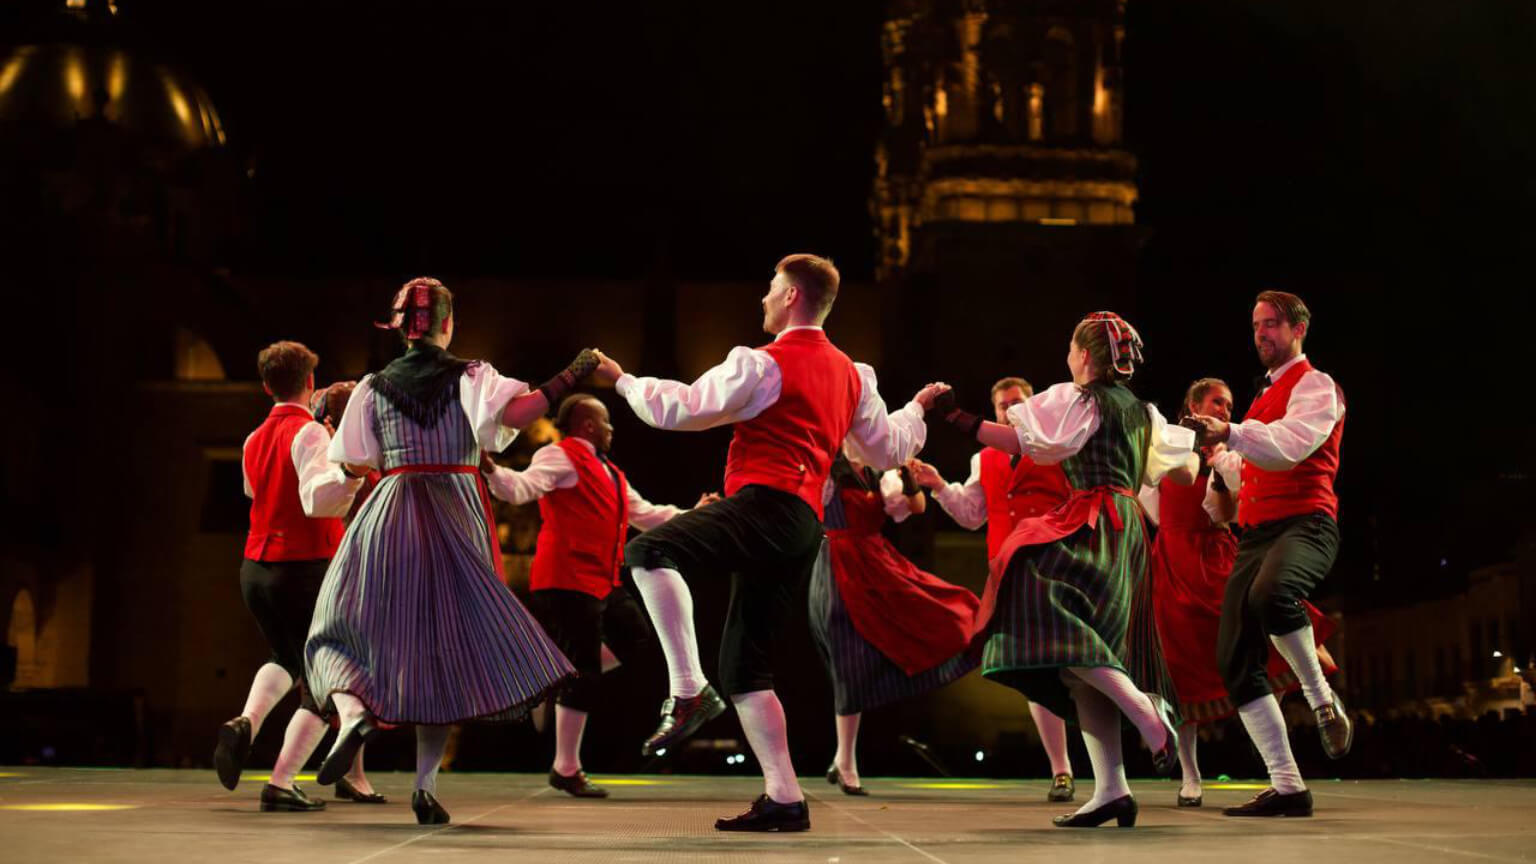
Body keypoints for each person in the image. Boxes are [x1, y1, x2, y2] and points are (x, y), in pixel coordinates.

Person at [591, 254, 934, 832]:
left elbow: (684, 409)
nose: (764, 300)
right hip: (804, 524)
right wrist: (918, 409)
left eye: (772, 290)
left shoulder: (762, 363)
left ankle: (687, 689)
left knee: (648, 552)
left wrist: (622, 380)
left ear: (794, 296)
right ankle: (785, 798)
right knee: (746, 666)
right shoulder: (854, 374)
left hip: (766, 503)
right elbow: (888, 450)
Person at [304, 277, 588, 825]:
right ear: (448, 324)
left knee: (335, 627)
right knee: (442, 656)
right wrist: (572, 375)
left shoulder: (372, 386)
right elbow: (520, 415)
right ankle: (426, 787)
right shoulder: (474, 377)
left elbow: (358, 460)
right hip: (455, 512)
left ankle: (353, 710)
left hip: (390, 510)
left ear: (398, 330)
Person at [928, 311, 1197, 828]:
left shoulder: (1081, 398)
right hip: (1129, 526)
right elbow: (1183, 472)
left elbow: (1027, 442)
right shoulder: (1144, 411)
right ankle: (1112, 790)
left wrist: (959, 419)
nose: (1068, 358)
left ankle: (1146, 711)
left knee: (1034, 593)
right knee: (1079, 670)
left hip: (1096, 516)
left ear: (1085, 355)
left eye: (1072, 350)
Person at [482, 393, 711, 799]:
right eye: (606, 421)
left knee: (636, 641)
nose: (611, 429)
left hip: (602, 580)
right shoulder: (560, 456)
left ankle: (558, 679)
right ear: (587, 424)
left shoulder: (612, 473)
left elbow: (648, 514)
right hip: (566, 577)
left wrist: (696, 514)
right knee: (585, 670)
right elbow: (520, 489)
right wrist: (492, 472)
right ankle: (565, 767)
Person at [1185, 291, 1349, 818]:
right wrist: (1216, 459)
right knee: (1233, 659)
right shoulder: (1259, 401)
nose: (1262, 333)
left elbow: (1291, 444)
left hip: (1307, 523)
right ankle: (1288, 785)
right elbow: (1234, 484)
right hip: (1255, 536)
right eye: (1256, 325)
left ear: (1299, 329)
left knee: (1273, 593)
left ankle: (1321, 699)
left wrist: (1230, 432)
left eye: (1272, 324)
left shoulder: (1317, 386)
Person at [1140, 376, 1336, 807]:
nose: (1226, 410)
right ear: (1191, 407)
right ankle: (1190, 777)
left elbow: (1230, 512)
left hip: (1219, 555)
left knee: (1258, 629)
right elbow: (1149, 503)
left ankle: (1303, 705)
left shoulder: (1231, 452)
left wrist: (1220, 475)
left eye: (1230, 404)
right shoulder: (1163, 446)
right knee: (1180, 669)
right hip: (1173, 561)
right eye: (1217, 402)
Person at [214, 342, 378, 812]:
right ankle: (284, 780)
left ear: (266, 386)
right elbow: (316, 501)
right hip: (303, 567)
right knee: (324, 678)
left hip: (255, 570)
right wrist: (348, 472)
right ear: (310, 383)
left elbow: (254, 492)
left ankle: (246, 720)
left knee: (285, 655)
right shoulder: (309, 434)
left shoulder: (252, 438)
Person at [907, 376, 1078, 802]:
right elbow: (971, 516)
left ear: (1033, 405)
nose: (1009, 411)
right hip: (1009, 574)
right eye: (1002, 405)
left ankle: (1117, 754)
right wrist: (939, 486)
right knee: (1034, 671)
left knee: (1077, 669)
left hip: (1057, 570)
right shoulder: (985, 459)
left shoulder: (1057, 449)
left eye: (1017, 403)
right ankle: (1062, 771)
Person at [811, 452, 978, 796]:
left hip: (876, 562)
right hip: (838, 566)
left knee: (947, 609)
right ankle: (845, 760)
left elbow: (915, 507)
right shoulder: (828, 469)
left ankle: (843, 759)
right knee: (846, 654)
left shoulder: (877, 475)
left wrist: (909, 476)